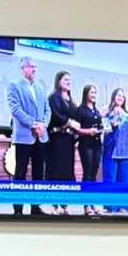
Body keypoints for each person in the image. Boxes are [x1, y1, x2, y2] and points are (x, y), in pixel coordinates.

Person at [5, 54, 48, 216]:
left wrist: (43, 124)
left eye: (35, 66)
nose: (34, 69)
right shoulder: (14, 86)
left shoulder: (41, 88)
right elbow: (15, 109)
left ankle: (35, 207)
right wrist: (34, 124)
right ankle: (18, 209)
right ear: (23, 69)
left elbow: (47, 110)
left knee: (38, 173)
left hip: (40, 137)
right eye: (31, 66)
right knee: (20, 173)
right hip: (24, 137)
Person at [45, 69, 79, 210]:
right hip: (56, 139)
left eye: (70, 80)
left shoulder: (71, 100)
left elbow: (77, 116)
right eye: (66, 80)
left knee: (67, 172)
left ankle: (64, 205)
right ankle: (55, 205)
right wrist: (70, 123)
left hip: (68, 141)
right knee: (56, 172)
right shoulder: (53, 98)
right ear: (58, 81)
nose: (68, 82)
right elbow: (56, 116)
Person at [76, 83, 104, 212]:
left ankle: (93, 202)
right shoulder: (80, 110)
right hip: (86, 144)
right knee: (87, 173)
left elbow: (100, 126)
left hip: (97, 144)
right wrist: (88, 131)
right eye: (91, 92)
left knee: (94, 174)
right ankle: (86, 204)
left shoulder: (96, 110)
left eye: (95, 93)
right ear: (86, 94)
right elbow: (76, 129)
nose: (93, 95)